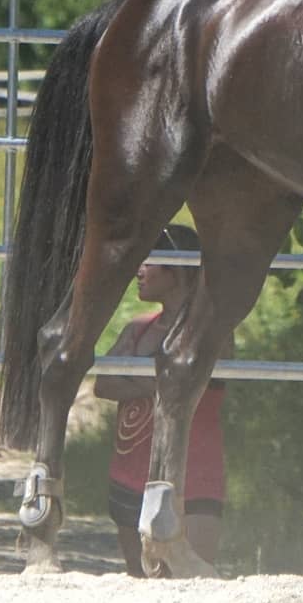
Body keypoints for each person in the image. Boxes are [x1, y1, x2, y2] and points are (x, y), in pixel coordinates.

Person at [94, 224, 227, 577]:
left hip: (196, 475)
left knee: (192, 576)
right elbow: (104, 384)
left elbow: (194, 382)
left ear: (178, 268)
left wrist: (139, 378)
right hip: (129, 471)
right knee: (140, 579)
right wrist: (159, 382)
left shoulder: (214, 331)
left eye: (149, 261)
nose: (138, 270)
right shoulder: (136, 328)